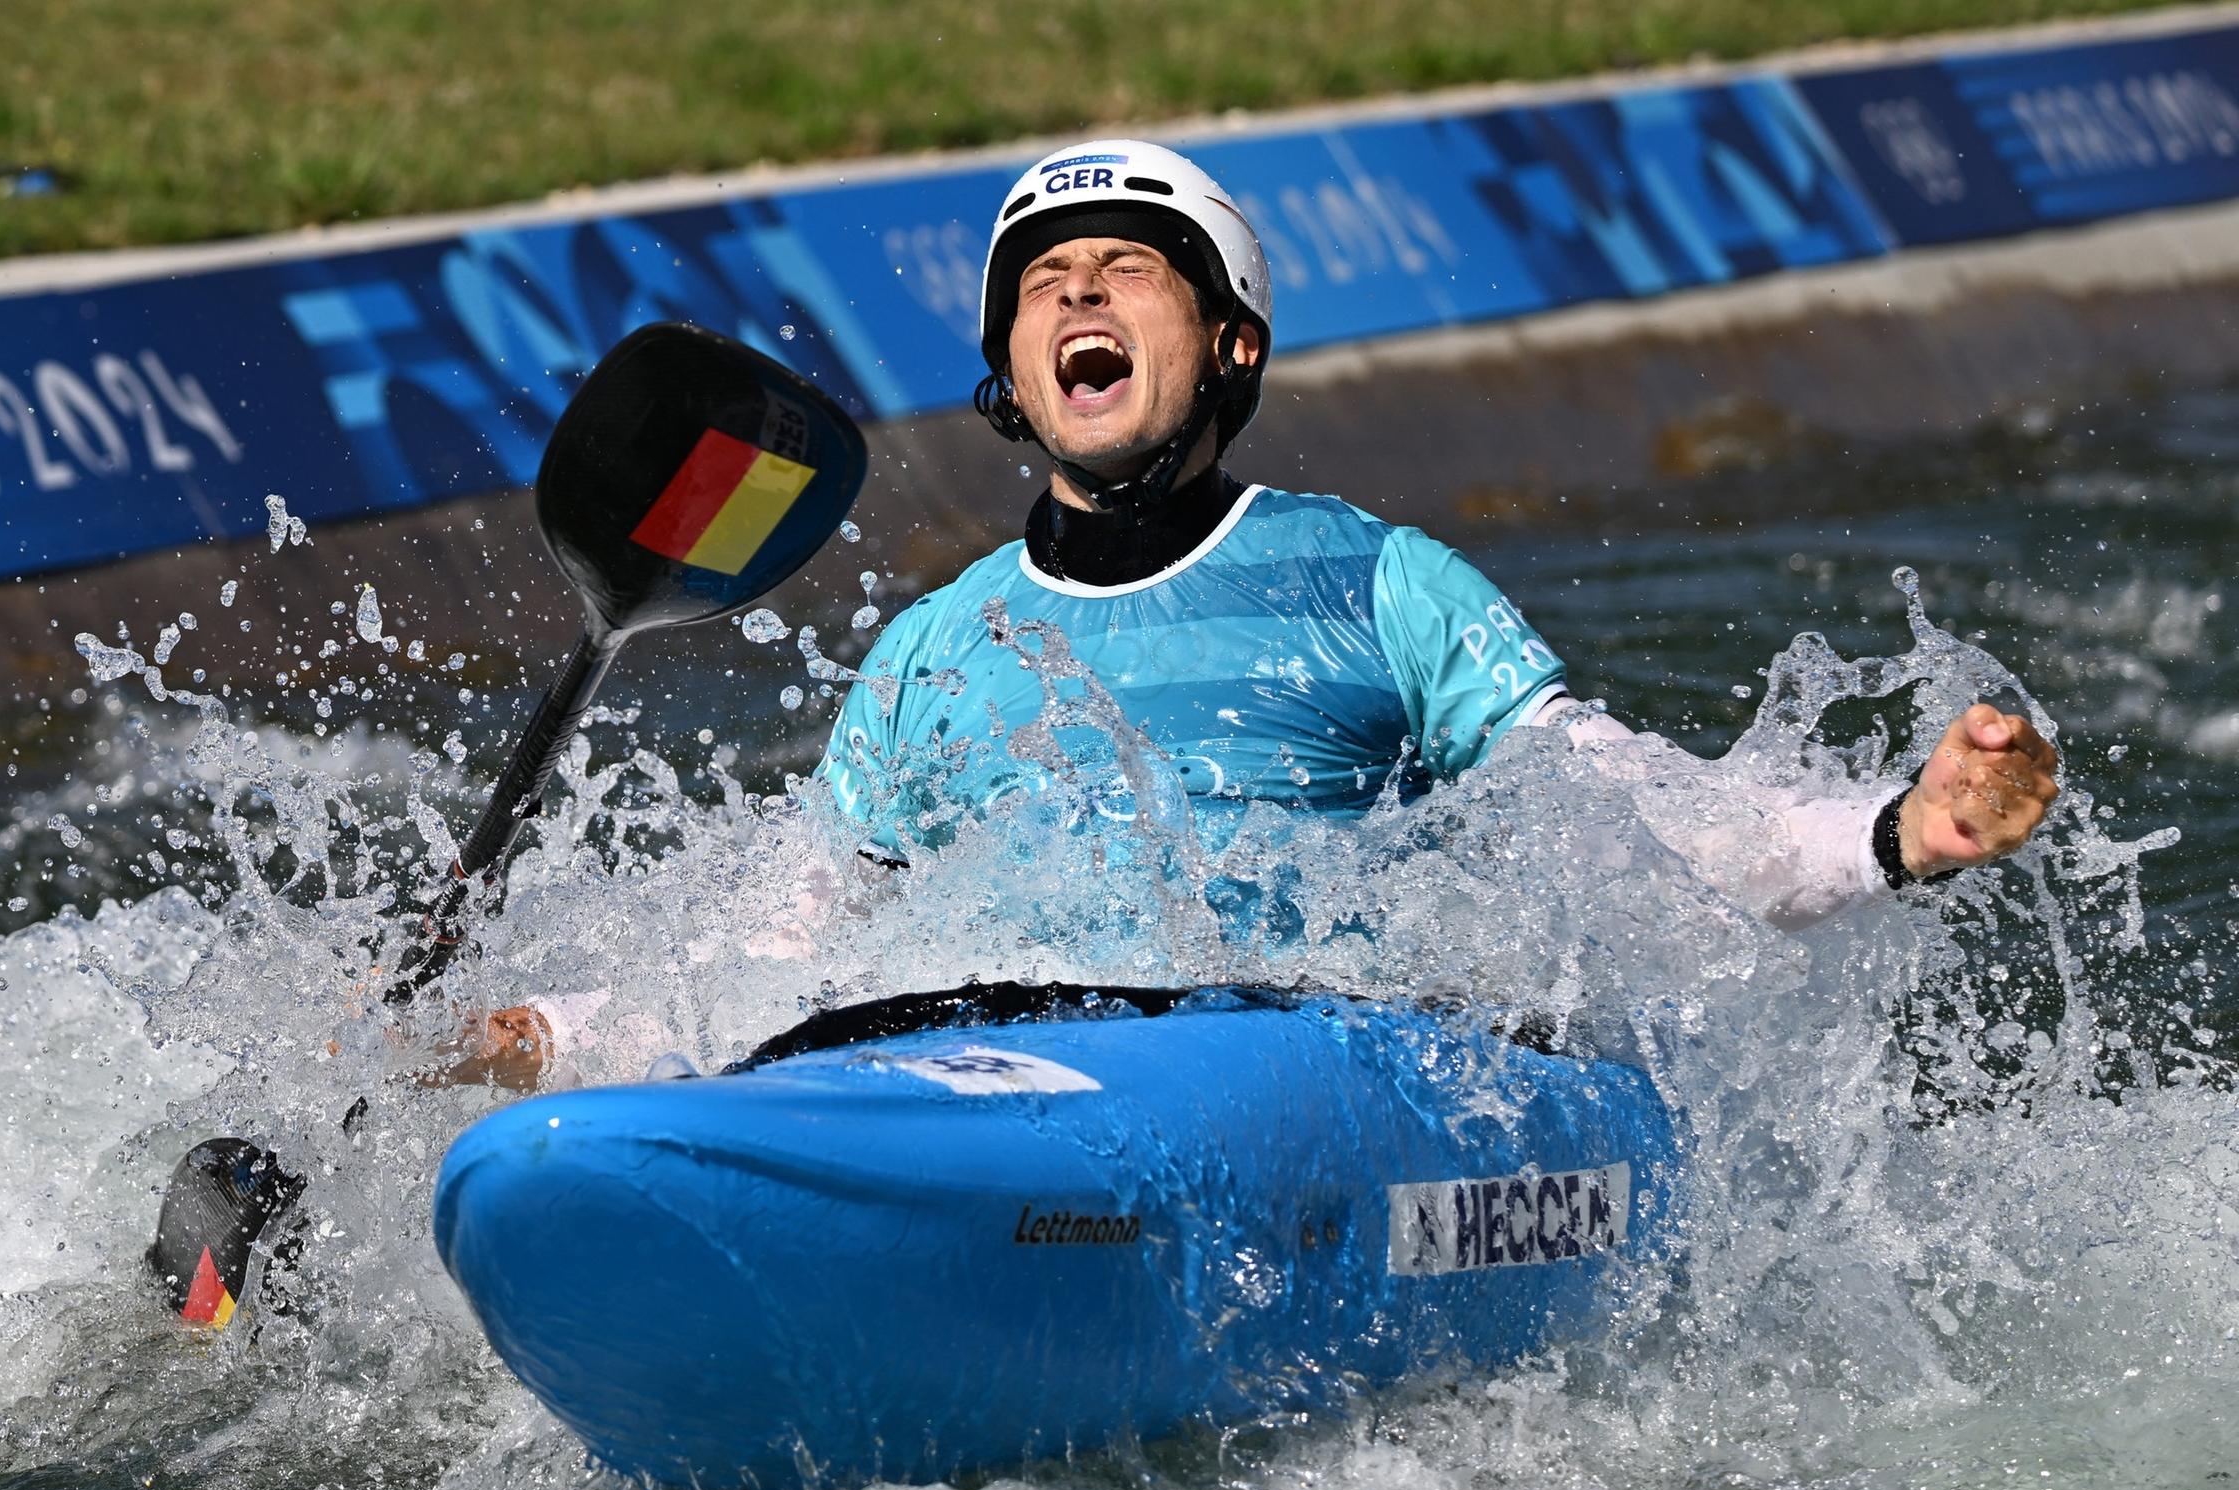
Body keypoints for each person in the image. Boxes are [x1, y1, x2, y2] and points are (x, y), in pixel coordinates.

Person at [476, 138, 2059, 1089]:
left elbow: (1633, 831)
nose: (1079, 298)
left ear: (1232, 345)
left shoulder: (1379, 584)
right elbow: (771, 961)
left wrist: (1891, 834)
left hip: (1304, 1077)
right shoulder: (927, 656)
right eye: (1046, 287)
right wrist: (519, 1037)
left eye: (1126, 273)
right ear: (1011, 379)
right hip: (1001, 1086)